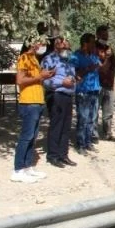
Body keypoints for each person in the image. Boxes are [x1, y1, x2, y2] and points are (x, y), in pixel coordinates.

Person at [11, 38, 53, 183]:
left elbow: (36, 79)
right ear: (32, 44)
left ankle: (27, 167)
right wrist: (40, 76)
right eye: (41, 43)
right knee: (26, 136)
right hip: (29, 102)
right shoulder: (24, 58)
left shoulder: (35, 59)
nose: (43, 46)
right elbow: (20, 80)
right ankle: (17, 170)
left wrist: (46, 76)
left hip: (38, 101)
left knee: (33, 137)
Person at [42, 37, 77, 168]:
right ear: (56, 45)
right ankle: (53, 156)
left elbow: (72, 75)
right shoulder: (49, 59)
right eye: (64, 45)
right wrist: (62, 82)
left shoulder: (68, 59)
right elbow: (45, 81)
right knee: (57, 125)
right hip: (56, 94)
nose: (66, 47)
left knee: (66, 126)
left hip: (68, 95)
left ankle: (63, 154)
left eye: (67, 45)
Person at [70, 33, 101, 156]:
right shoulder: (75, 56)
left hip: (94, 90)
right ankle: (80, 144)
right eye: (92, 42)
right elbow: (73, 73)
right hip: (83, 91)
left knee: (91, 119)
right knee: (82, 118)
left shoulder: (93, 56)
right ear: (85, 43)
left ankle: (88, 142)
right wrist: (88, 68)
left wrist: (109, 58)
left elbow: (101, 68)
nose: (94, 44)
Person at [94, 25, 115, 143]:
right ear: (98, 35)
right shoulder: (94, 48)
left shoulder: (109, 48)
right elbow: (99, 68)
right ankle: (93, 134)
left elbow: (114, 66)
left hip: (109, 83)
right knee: (95, 110)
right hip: (97, 83)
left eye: (107, 35)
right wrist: (107, 57)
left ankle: (107, 133)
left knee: (108, 111)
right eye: (104, 34)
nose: (106, 36)